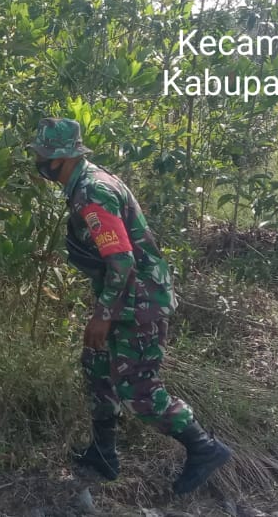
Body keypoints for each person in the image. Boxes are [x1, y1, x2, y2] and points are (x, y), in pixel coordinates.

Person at [26, 117, 231, 495]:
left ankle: (204, 448)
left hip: (138, 301)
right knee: (97, 369)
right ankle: (103, 456)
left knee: (139, 391)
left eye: (43, 154)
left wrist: (103, 316)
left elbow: (121, 260)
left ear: (62, 158)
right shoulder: (84, 183)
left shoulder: (92, 194)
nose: (39, 161)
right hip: (125, 295)